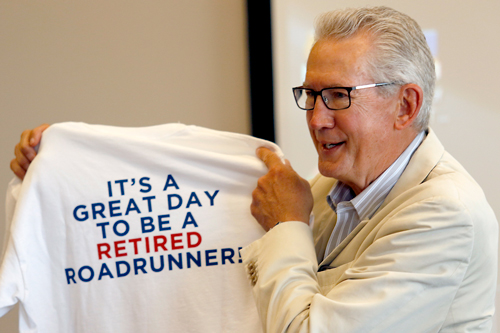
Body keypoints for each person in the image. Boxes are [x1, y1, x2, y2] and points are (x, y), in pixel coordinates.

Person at [9, 6, 499, 332]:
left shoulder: (444, 213)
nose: (316, 118)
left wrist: (287, 225)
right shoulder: (332, 187)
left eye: (337, 95)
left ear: (405, 105)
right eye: (310, 95)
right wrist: (70, 165)